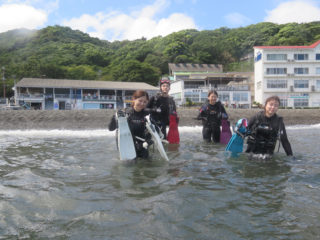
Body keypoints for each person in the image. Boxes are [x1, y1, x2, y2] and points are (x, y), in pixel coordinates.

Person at [108, 90, 153, 159]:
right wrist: (115, 117)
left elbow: (153, 131)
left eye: (145, 102)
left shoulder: (147, 114)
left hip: (143, 147)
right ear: (134, 99)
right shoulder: (125, 113)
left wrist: (149, 141)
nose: (142, 104)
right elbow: (111, 128)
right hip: (128, 148)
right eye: (140, 101)